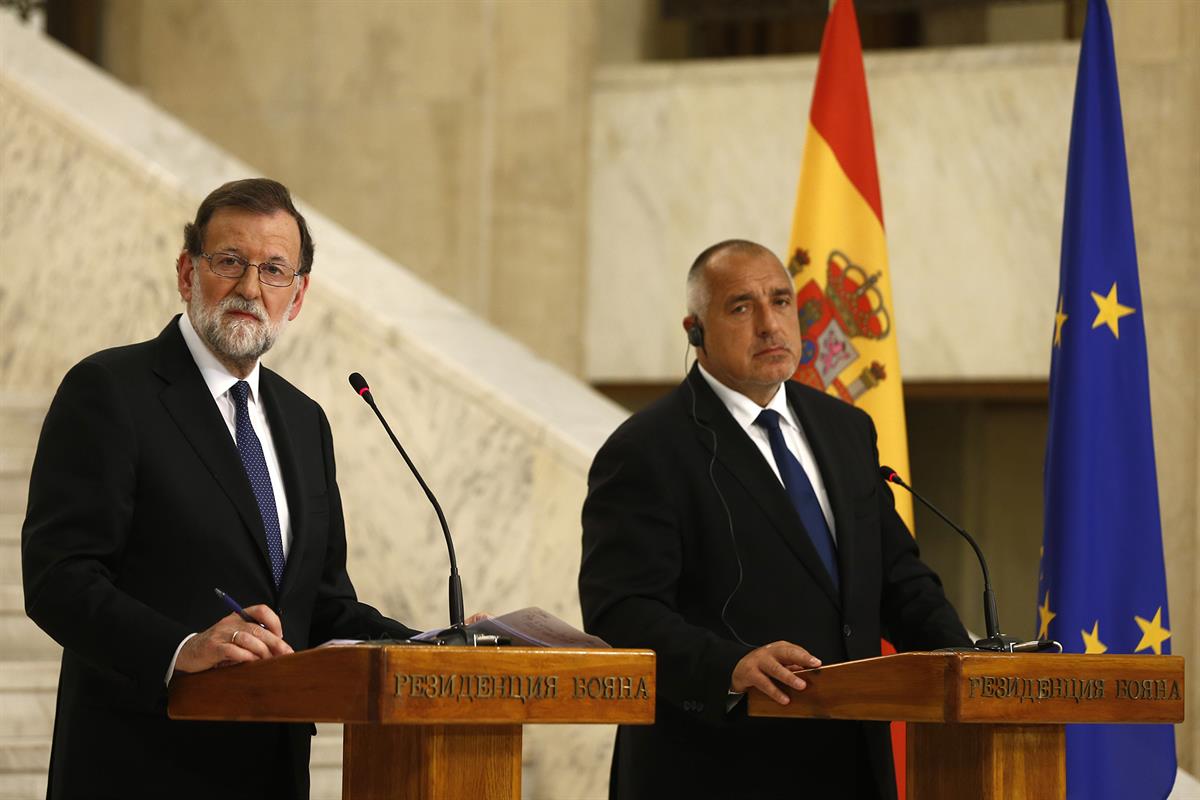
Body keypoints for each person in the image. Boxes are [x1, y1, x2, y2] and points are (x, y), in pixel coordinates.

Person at [21, 178, 419, 800]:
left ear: (299, 293)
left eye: (274, 270)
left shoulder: (305, 419)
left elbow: (321, 605)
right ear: (187, 272)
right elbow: (58, 578)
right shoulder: (109, 390)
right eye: (229, 261)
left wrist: (433, 648)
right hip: (140, 764)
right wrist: (181, 647)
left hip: (272, 768)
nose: (250, 288)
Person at [578, 240, 971, 799]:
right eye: (741, 307)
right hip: (715, 767)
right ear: (695, 330)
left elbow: (897, 580)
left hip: (851, 764)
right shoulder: (647, 448)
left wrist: (971, 664)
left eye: (781, 301)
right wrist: (729, 665)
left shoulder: (845, 429)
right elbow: (620, 608)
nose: (769, 324)